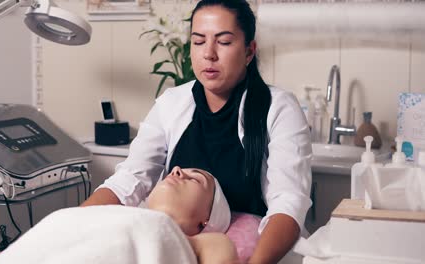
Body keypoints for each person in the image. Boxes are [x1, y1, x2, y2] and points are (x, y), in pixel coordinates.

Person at [83, 0, 312, 263]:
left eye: (224, 42)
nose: (209, 54)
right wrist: (71, 224)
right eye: (199, 41)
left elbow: (289, 201)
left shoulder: (277, 107)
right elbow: (130, 180)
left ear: (249, 52)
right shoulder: (172, 103)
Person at [0, 167, 239, 264]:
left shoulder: (205, 241)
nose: (178, 170)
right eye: (178, 169)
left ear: (205, 221)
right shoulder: (101, 215)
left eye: (196, 179)